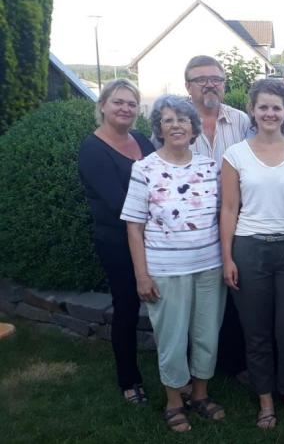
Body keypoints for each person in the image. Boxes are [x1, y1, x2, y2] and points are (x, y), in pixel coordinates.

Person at [122, 95, 226, 432]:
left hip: (209, 267)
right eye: (168, 120)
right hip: (165, 270)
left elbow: (223, 215)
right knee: (172, 339)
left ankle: (200, 394)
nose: (176, 125)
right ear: (159, 128)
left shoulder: (210, 167)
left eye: (182, 119)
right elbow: (134, 227)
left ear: (194, 128)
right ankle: (173, 401)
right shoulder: (144, 169)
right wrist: (142, 275)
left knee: (207, 335)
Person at [219, 79, 284, 429]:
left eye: (277, 107)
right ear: (252, 110)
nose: (270, 113)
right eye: (263, 107)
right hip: (250, 249)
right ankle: (265, 399)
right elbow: (229, 209)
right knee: (256, 332)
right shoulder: (235, 155)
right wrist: (227, 258)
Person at [78, 79, 155, 404]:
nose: (125, 108)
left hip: (156, 238)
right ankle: (129, 379)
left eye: (131, 103)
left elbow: (163, 177)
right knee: (127, 306)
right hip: (117, 242)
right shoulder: (93, 150)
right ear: (103, 106)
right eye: (118, 102)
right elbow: (118, 204)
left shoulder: (141, 140)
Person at [182, 55, 251, 381]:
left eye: (216, 79)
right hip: (190, 227)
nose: (210, 85)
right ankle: (190, 366)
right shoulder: (176, 120)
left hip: (234, 220)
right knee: (193, 297)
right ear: (188, 86)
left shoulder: (241, 121)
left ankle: (233, 363)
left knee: (235, 290)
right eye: (201, 79)